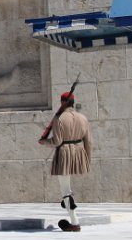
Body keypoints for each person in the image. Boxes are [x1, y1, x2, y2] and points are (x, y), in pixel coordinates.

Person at [38, 91, 92, 232]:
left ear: (62, 103)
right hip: (79, 152)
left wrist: (45, 142)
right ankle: (67, 204)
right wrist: (87, 159)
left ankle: (74, 222)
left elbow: (57, 141)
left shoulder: (59, 119)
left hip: (65, 153)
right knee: (67, 189)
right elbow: (88, 142)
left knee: (65, 189)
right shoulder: (83, 118)